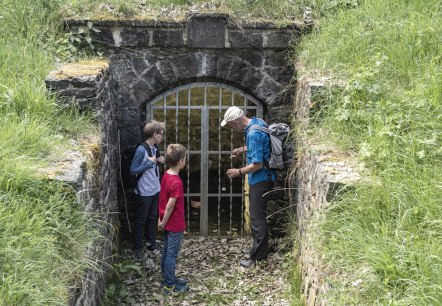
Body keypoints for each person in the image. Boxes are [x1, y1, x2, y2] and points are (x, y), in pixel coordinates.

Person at [221, 106, 275, 268]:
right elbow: (260, 145)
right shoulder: (257, 123)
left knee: (257, 218)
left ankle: (258, 257)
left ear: (236, 121)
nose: (232, 128)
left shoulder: (252, 134)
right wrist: (240, 149)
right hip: (264, 177)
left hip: (260, 179)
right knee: (257, 215)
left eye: (231, 125)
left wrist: (239, 171)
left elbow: (257, 164)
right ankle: (258, 247)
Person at [129, 120, 165, 260]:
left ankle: (151, 243)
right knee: (140, 220)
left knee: (152, 218)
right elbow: (133, 170)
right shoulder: (141, 150)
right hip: (144, 191)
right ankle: (138, 247)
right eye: (161, 134)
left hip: (155, 189)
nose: (162, 137)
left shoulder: (155, 147)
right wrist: (149, 163)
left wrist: (159, 160)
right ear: (155, 134)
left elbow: (153, 163)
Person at [158, 144, 189, 294]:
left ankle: (166, 278)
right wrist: (163, 221)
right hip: (175, 223)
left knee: (166, 251)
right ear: (181, 161)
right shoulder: (177, 183)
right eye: (185, 158)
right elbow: (170, 206)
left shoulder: (166, 175)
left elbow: (162, 199)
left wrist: (161, 220)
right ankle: (169, 284)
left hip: (166, 221)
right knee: (172, 254)